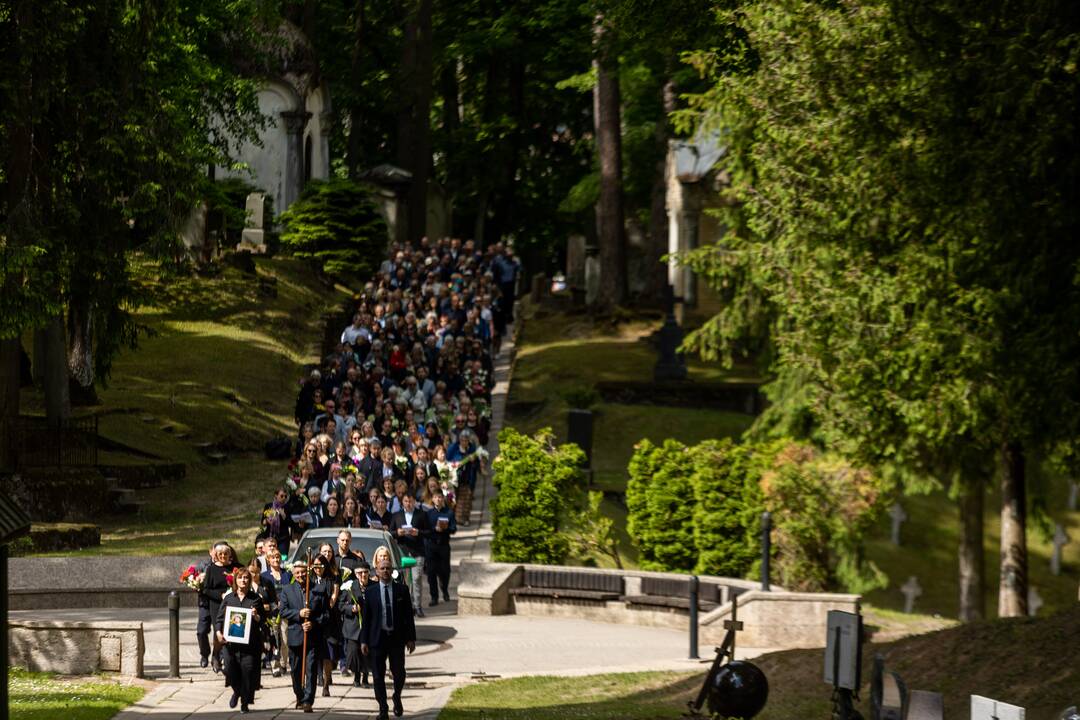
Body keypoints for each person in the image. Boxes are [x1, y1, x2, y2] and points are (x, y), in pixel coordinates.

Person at [361, 552, 416, 720]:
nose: (385, 571)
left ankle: (397, 696)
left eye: (388, 568)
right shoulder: (370, 593)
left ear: (392, 571)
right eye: (382, 568)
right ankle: (383, 708)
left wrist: (411, 638)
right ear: (376, 571)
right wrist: (364, 640)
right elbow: (366, 619)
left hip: (396, 639)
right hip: (377, 639)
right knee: (377, 675)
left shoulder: (402, 590)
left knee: (399, 672)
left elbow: (408, 616)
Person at [279, 557, 331, 713]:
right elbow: (283, 611)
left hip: (312, 637)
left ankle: (308, 700)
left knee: (311, 669)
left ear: (307, 572)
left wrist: (313, 623)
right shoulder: (287, 590)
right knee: (295, 670)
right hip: (295, 636)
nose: (301, 575)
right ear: (294, 574)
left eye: (303, 572)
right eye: (298, 573)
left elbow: (326, 614)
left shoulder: (318, 589)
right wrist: (299, 614)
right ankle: (299, 696)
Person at [215, 566, 265, 713]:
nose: (243, 580)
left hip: (250, 645)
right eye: (240, 578)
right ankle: (237, 691)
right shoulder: (229, 599)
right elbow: (219, 619)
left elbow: (263, 620)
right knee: (230, 670)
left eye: (246, 578)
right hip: (230, 645)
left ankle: (244, 703)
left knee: (247, 673)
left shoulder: (255, 599)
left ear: (249, 581)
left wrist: (256, 616)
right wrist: (218, 633)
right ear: (236, 580)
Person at [390, 493, 430, 617]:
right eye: (406, 501)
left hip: (417, 552)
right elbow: (390, 533)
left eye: (410, 501)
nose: (408, 503)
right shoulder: (397, 515)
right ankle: (408, 606)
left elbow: (428, 532)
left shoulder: (421, 514)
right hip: (402, 552)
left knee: (417, 578)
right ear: (402, 502)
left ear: (414, 502)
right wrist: (398, 533)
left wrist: (418, 532)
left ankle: (418, 606)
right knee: (406, 581)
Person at [338, 560, 370, 688]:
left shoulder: (373, 585)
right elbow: (340, 605)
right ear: (356, 574)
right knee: (354, 653)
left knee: (367, 652)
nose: (363, 575)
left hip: (368, 626)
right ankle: (356, 676)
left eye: (365, 572)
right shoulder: (350, 586)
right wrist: (351, 608)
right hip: (353, 627)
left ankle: (365, 677)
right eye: (360, 573)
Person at [260, 549, 292, 677]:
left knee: (285, 638)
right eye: (272, 558)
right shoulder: (264, 576)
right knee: (274, 638)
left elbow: (291, 590)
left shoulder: (287, 574)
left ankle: (284, 663)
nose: (276, 560)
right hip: (271, 613)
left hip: (285, 611)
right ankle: (275, 665)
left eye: (278, 557)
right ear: (268, 560)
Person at [424, 489, 456, 605]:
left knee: (445, 571)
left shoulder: (449, 512)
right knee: (431, 572)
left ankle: (445, 589)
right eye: (436, 497)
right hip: (431, 545)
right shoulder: (429, 514)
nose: (438, 499)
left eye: (440, 497)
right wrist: (434, 529)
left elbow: (453, 529)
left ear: (443, 499)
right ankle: (434, 597)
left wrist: (445, 528)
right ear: (432, 499)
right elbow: (425, 530)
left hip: (443, 545)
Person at [248, 559, 278, 679]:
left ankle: (275, 666)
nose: (253, 575)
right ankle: (254, 668)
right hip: (251, 619)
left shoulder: (267, 583)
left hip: (266, 618)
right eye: (251, 572)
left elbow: (274, 602)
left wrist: (269, 607)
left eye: (256, 572)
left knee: (271, 642)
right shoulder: (245, 583)